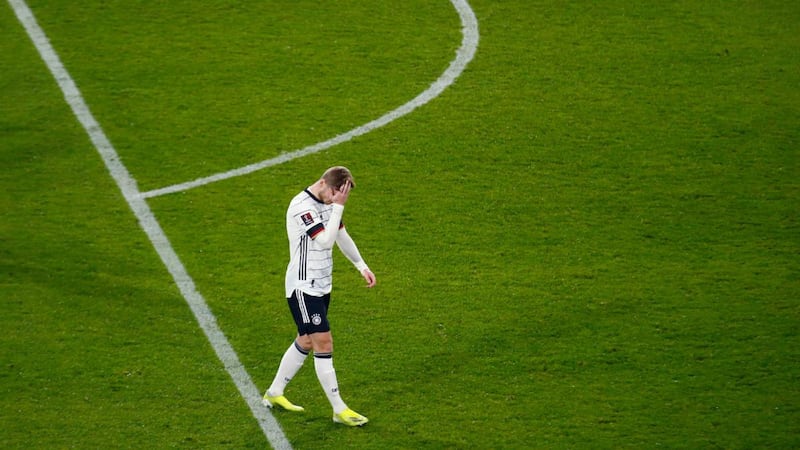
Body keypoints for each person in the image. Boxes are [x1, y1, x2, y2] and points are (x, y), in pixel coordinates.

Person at [263, 166, 376, 427]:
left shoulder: (330, 202)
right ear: (324, 183)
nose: (335, 201)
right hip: (303, 288)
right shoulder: (302, 206)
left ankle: (274, 393)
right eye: (335, 195)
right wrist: (338, 207)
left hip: (323, 285)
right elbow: (324, 241)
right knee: (323, 342)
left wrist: (362, 266)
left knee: (306, 340)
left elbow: (340, 235)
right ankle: (339, 409)